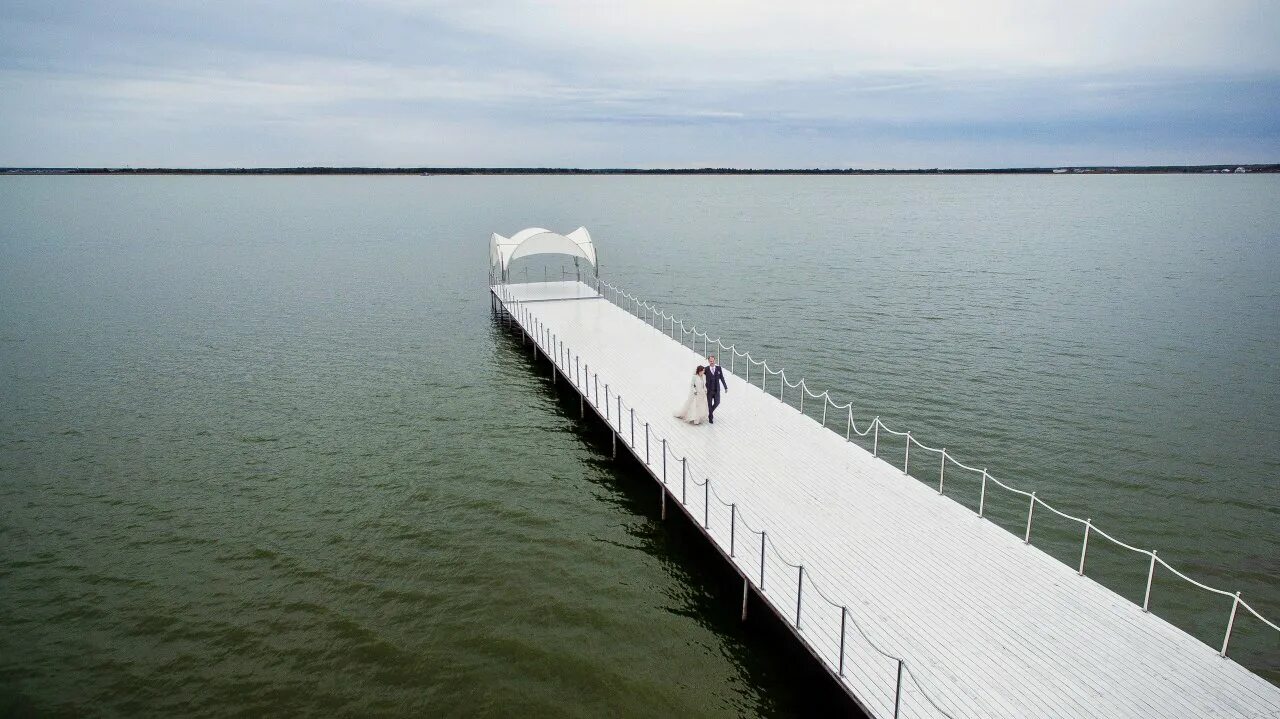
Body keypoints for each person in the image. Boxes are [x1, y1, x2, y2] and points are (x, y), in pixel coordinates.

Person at [705, 355, 728, 423]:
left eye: (712, 361)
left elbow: (722, 378)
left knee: (717, 402)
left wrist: (725, 387)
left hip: (716, 390)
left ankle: (710, 412)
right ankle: (710, 418)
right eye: (710, 361)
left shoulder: (719, 368)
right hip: (709, 390)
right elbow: (700, 374)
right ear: (708, 361)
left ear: (715, 360)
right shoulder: (706, 369)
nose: (711, 362)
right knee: (709, 404)